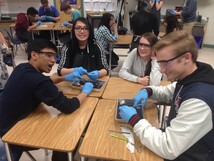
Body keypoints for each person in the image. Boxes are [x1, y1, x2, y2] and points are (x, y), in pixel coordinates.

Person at [119, 30, 214, 161]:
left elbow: (168, 147)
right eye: (159, 63)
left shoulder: (199, 100)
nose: (162, 70)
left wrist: (135, 120)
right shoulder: (191, 76)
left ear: (187, 58)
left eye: (165, 63)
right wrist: (149, 91)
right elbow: (171, 91)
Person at [0, 39, 94, 161]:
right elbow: (68, 106)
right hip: (12, 136)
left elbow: (42, 81)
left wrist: (64, 77)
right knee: (66, 131)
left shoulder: (22, 68)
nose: (53, 60)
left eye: (54, 56)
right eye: (49, 55)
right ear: (34, 55)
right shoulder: (38, 81)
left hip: (6, 124)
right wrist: (85, 92)